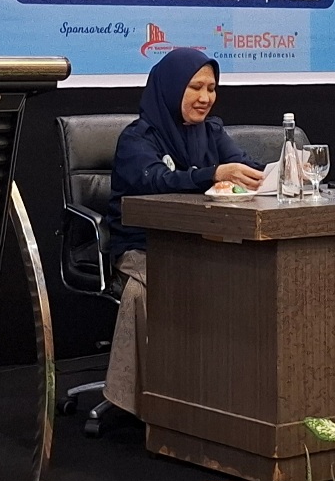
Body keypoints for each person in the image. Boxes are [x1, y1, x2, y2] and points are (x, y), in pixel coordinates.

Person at [102, 47, 265, 417]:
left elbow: (244, 165)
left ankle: (224, 392)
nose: (205, 97)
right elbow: (156, 180)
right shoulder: (138, 137)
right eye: (195, 87)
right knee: (150, 287)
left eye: (211, 88)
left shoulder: (212, 131)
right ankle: (148, 400)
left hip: (202, 242)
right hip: (144, 246)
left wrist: (277, 171)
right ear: (173, 87)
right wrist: (212, 174)